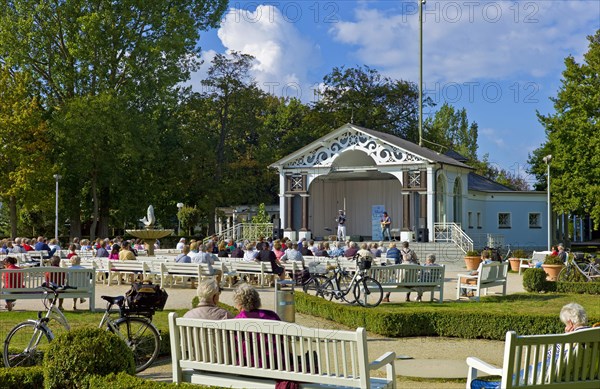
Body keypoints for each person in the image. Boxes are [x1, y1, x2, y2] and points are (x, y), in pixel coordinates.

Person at [470, 302, 590, 389]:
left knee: (529, 372)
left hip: (549, 379)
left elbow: (549, 357)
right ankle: (496, 385)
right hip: (582, 378)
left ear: (569, 322)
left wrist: (566, 335)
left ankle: (497, 387)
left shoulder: (567, 340)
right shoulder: (594, 337)